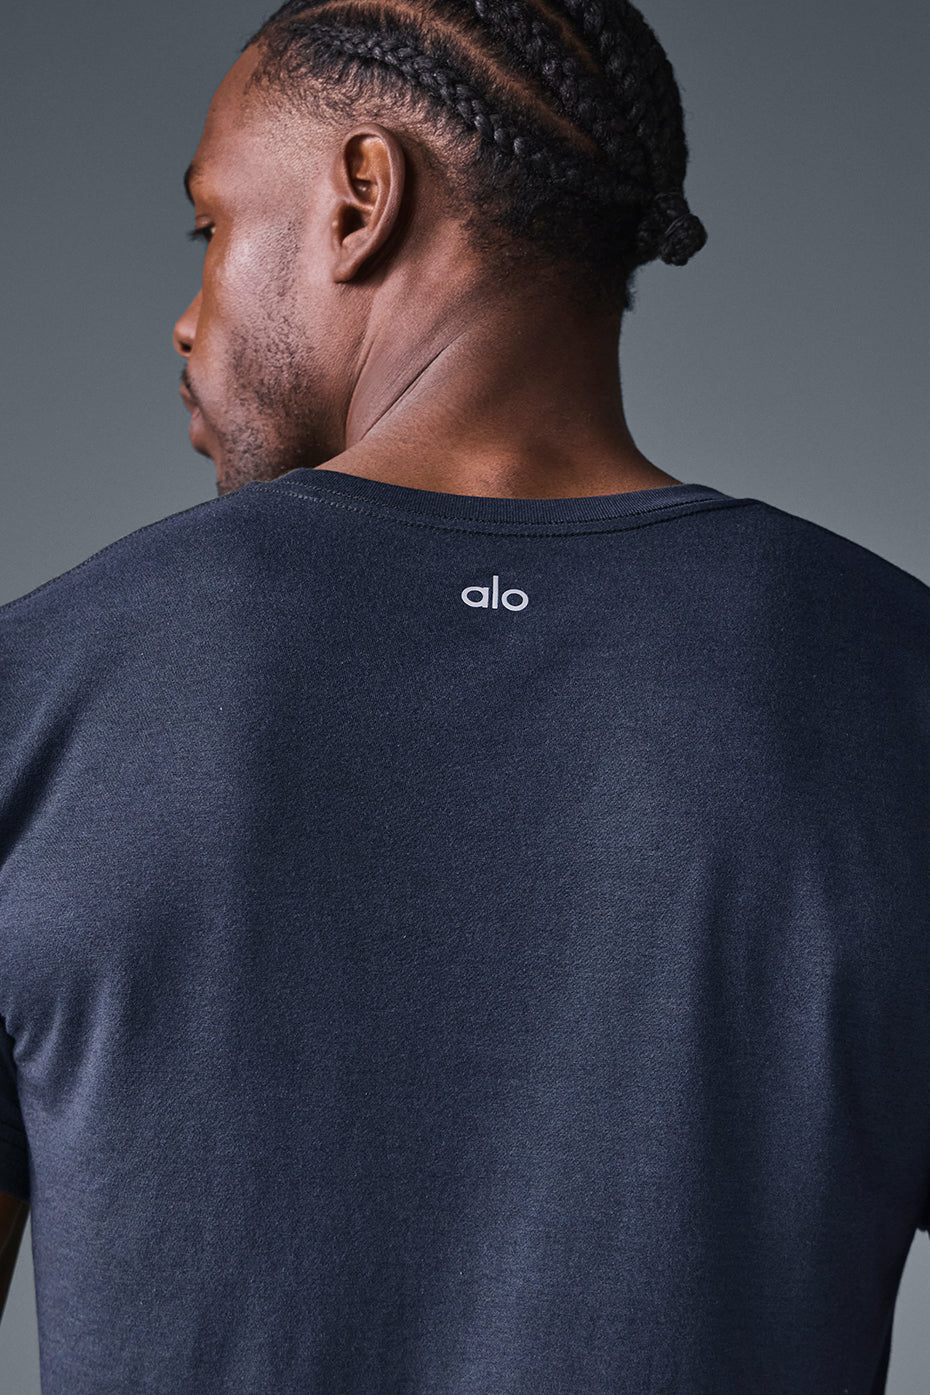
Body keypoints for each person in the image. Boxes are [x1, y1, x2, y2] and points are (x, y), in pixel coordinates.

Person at [0, 1, 927, 1391]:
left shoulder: (40, 690)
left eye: (210, 227)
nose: (187, 320)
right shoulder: (892, 685)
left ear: (360, 199)